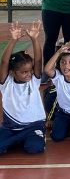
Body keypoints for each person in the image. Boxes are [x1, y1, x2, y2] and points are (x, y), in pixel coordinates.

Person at [0, 21, 46, 155]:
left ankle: (25, 139)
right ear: (12, 73)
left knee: (34, 148)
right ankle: (14, 140)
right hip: (10, 128)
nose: (29, 74)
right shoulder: (6, 83)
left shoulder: (34, 81)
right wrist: (13, 40)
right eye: (24, 72)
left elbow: (38, 61)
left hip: (33, 127)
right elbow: (4, 62)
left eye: (30, 70)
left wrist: (34, 39)